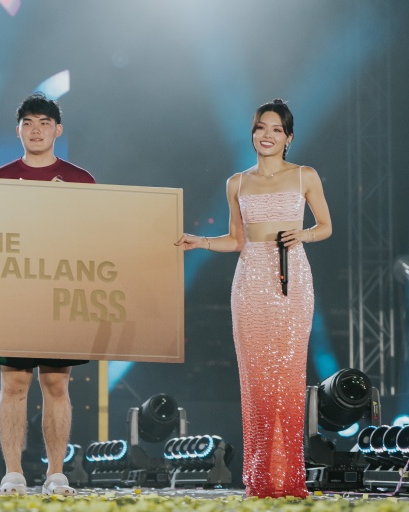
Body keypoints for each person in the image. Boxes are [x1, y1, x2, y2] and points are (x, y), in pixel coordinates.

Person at [175, 99, 332, 498]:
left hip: (292, 277)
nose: (267, 135)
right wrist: (201, 241)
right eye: (261, 127)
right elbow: (237, 240)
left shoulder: (305, 176)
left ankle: (290, 477)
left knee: (288, 377)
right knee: (257, 380)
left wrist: (303, 235)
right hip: (250, 280)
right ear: (252, 132)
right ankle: (262, 477)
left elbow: (326, 226)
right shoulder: (237, 183)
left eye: (276, 129)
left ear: (288, 138)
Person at [0, 92, 95, 496]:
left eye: (44, 123)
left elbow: (95, 237)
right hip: (12, 296)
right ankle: (13, 473)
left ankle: (56, 474)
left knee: (57, 385)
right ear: (18, 130)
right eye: (28, 123)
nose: (36, 130)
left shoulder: (81, 181)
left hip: (61, 293)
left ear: (57, 130)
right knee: (13, 384)